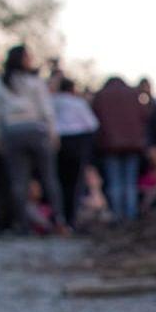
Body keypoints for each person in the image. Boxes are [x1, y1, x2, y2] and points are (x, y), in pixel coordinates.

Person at [0, 44, 63, 234]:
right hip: (35, 130)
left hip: (11, 132)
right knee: (48, 177)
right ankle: (59, 220)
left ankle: (23, 225)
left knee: (19, 181)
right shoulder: (34, 82)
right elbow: (47, 110)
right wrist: (53, 133)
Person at [91, 76, 146, 221]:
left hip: (110, 145)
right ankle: (130, 215)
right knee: (130, 182)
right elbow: (144, 116)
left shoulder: (101, 96)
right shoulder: (133, 95)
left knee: (115, 181)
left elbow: (95, 119)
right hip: (132, 145)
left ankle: (117, 215)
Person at [52, 78, 99, 227]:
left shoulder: (51, 102)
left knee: (58, 181)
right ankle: (71, 218)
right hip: (76, 143)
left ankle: (59, 218)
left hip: (57, 144)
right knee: (75, 183)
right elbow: (92, 124)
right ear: (72, 89)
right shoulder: (78, 103)